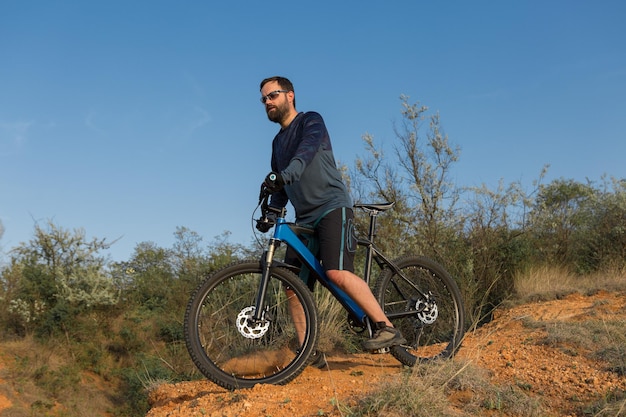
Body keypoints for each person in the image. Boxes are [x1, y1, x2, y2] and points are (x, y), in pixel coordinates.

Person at [256, 76, 406, 354]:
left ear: (290, 95)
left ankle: (387, 328)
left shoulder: (311, 121)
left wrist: (289, 172)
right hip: (304, 219)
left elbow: (307, 151)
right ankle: (306, 351)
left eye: (272, 95)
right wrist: (271, 210)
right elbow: (282, 187)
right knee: (293, 285)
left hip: (331, 207)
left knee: (335, 272)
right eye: (263, 99)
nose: (267, 102)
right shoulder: (278, 144)